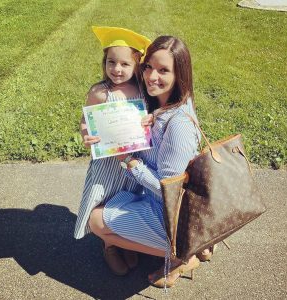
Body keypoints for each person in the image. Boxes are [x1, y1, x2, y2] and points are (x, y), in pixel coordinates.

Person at [89, 35, 207, 288]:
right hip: (157, 202)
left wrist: (132, 163)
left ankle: (180, 255)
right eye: (148, 67)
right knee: (114, 200)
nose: (152, 76)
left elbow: (170, 191)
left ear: (180, 75)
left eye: (163, 70)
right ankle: (194, 244)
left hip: (168, 214)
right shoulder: (162, 106)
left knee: (96, 221)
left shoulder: (179, 124)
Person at [74, 26, 151, 275]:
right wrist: (86, 134)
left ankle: (124, 239)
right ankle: (109, 246)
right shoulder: (100, 92)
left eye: (124, 64)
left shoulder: (142, 91)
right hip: (106, 165)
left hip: (131, 163)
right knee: (103, 200)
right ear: (104, 62)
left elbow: (148, 119)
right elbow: (85, 121)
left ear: (137, 65)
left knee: (128, 201)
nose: (117, 69)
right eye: (111, 62)